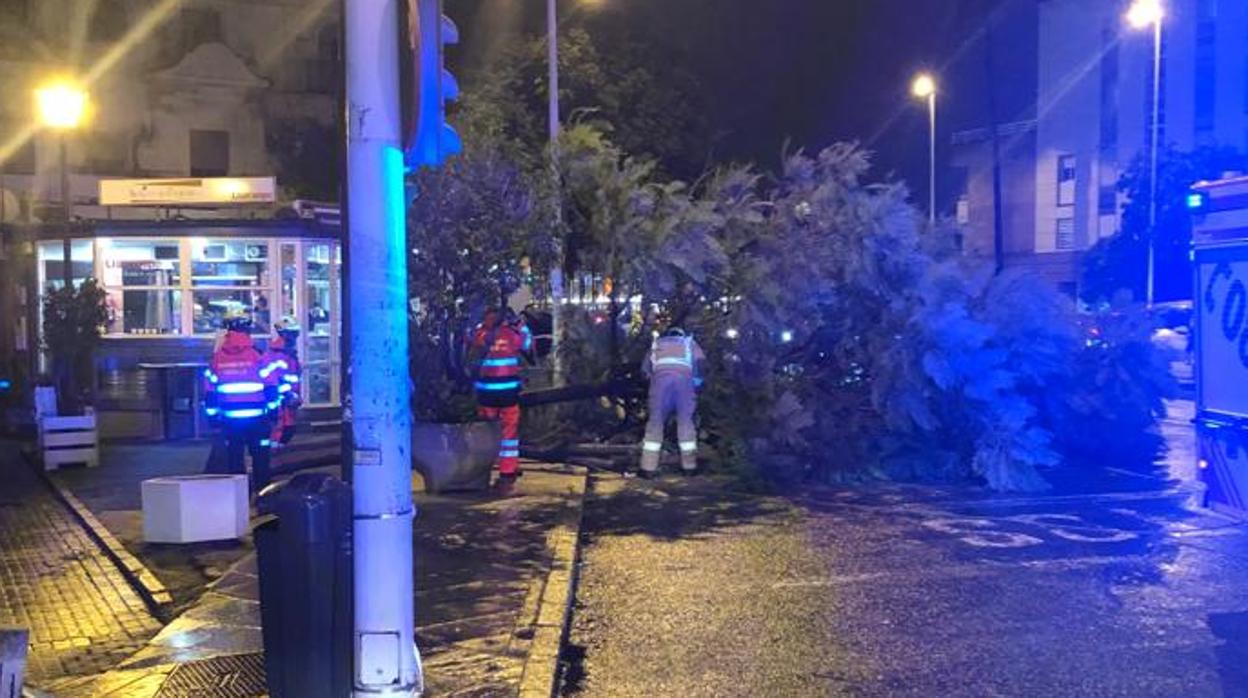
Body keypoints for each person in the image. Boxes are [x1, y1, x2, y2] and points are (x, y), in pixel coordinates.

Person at [203, 309, 279, 492]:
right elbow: (271, 387)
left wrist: (213, 417)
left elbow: (210, 392)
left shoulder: (217, 359)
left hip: (231, 419)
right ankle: (263, 498)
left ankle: (238, 498)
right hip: (258, 418)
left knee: (235, 458)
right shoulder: (258, 356)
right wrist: (274, 412)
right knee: (261, 458)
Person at [468, 307, 533, 493]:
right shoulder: (512, 334)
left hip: (486, 394)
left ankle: (482, 471)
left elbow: (469, 341)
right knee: (509, 435)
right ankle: (507, 472)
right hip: (508, 394)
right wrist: (521, 326)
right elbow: (527, 344)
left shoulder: (481, 335)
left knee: (486, 433)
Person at [639, 327, 706, 478]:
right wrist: (698, 381)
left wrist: (653, 380)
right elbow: (701, 363)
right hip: (684, 384)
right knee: (686, 422)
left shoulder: (656, 344)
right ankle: (689, 467)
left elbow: (644, 371)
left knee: (655, 422)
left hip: (660, 384)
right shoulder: (689, 342)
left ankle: (648, 468)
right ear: (681, 335)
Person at [262, 317, 303, 448]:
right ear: (283, 333)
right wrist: (287, 394)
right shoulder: (274, 355)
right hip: (279, 404)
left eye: (296, 333)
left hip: (288, 405)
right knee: (277, 436)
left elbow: (293, 377)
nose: (295, 337)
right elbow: (269, 380)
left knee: (286, 433)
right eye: (292, 333)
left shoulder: (288, 353)